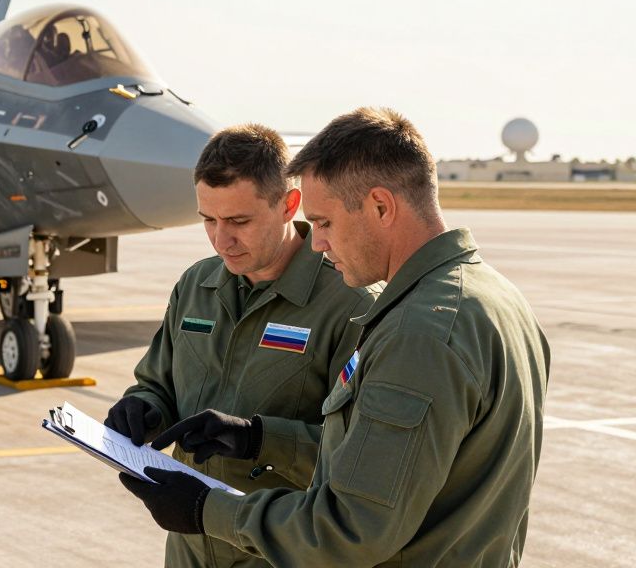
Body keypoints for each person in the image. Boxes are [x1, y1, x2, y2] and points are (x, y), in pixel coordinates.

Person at [119, 107, 551, 567]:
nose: (318, 242)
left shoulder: (419, 331)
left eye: (323, 222)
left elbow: (351, 525)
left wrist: (208, 510)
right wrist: (255, 438)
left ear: (381, 206)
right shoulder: (495, 297)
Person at [105, 123, 378, 568]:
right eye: (208, 220)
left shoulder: (351, 304)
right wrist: (144, 407)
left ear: (290, 205)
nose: (220, 239)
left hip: (280, 551)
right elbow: (157, 383)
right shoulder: (197, 285)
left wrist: (257, 439)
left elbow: (362, 461)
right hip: (192, 545)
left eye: (239, 221)